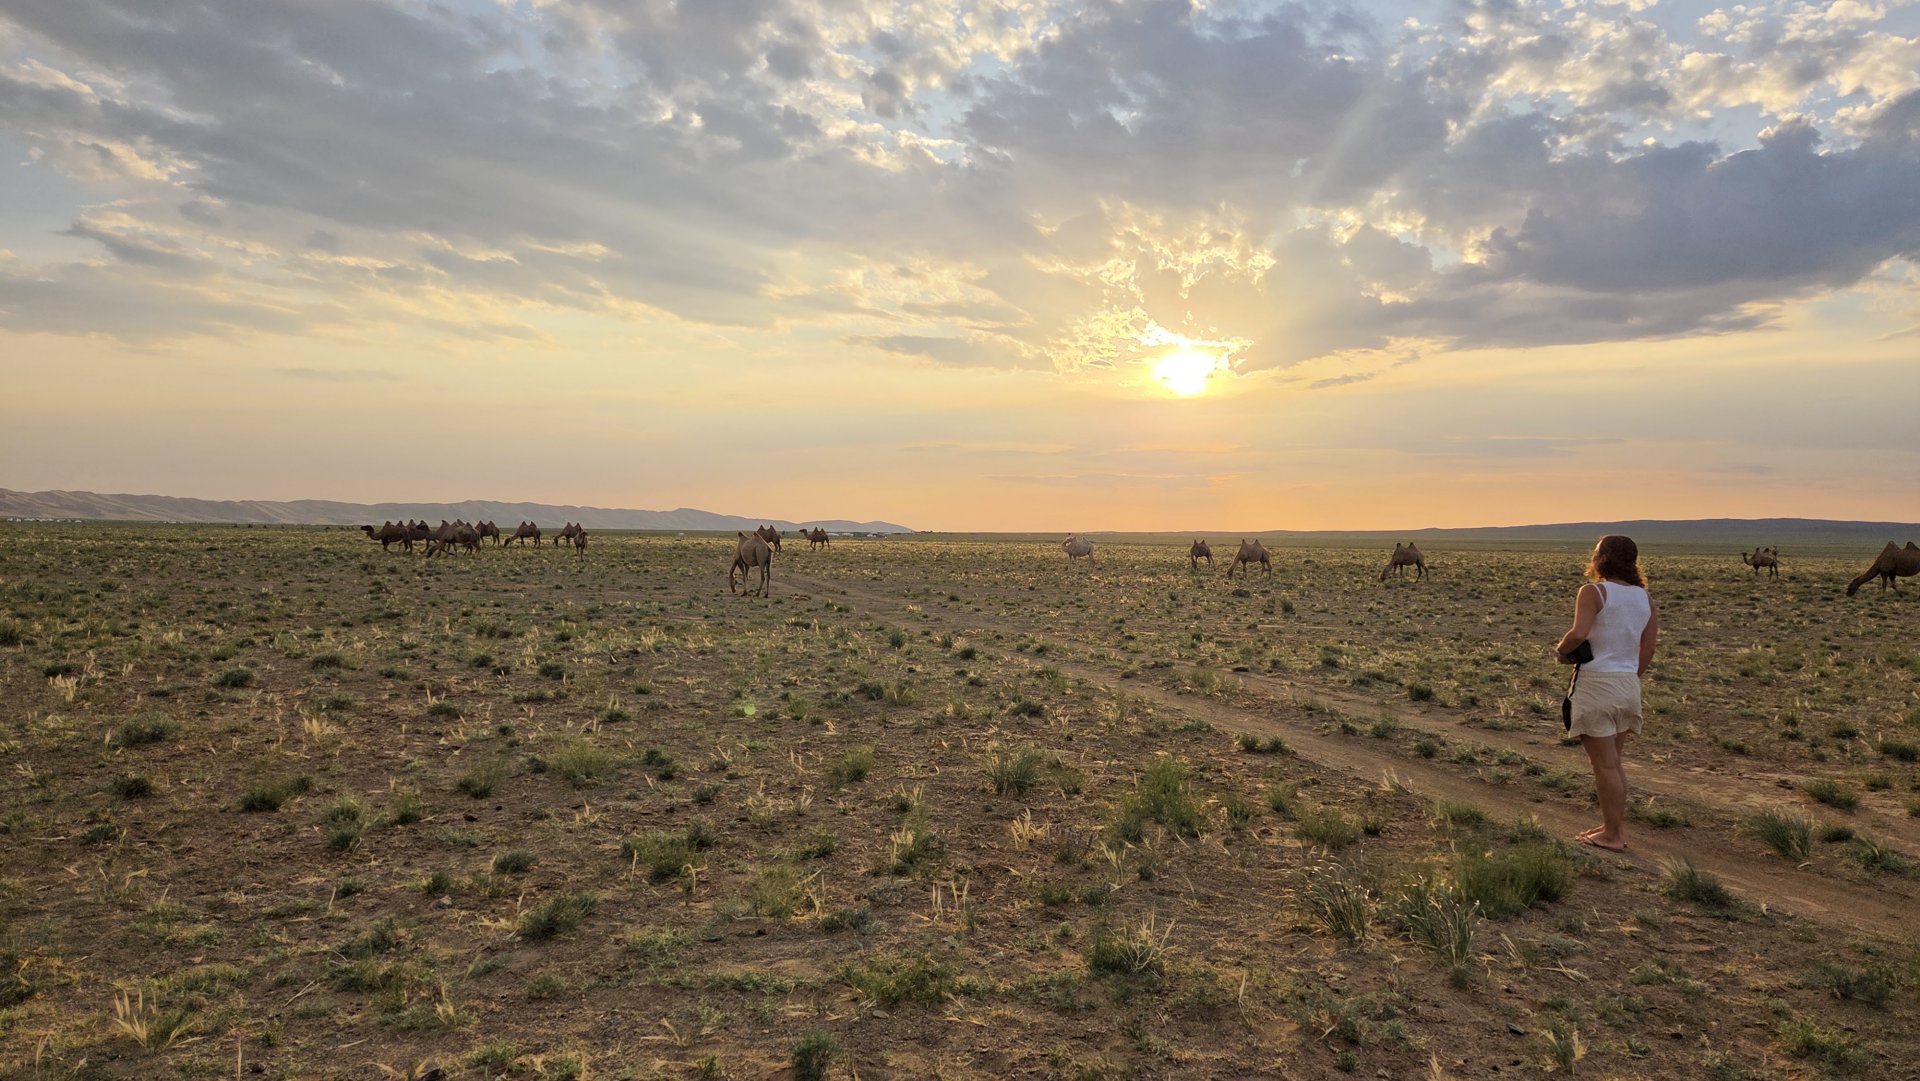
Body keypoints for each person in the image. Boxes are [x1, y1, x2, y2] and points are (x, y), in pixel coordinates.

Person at [1554, 535, 1658, 851]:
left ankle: (1614, 835)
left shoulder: (1593, 592)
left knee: (1606, 765)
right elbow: (1648, 648)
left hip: (1597, 684)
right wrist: (1630, 676)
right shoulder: (1645, 599)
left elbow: (1579, 633)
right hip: (1628, 685)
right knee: (1613, 763)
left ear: (1602, 558)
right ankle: (1612, 827)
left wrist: (1561, 651)